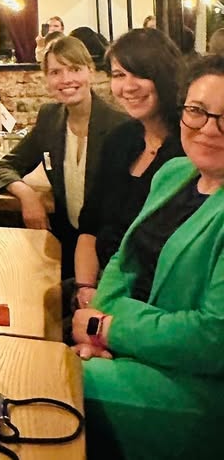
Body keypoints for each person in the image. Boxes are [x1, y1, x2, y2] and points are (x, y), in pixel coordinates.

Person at [73, 54, 224, 459]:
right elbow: (124, 261)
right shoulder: (174, 172)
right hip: (128, 354)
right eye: (197, 111)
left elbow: (213, 337)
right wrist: (98, 326)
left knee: (47, 384)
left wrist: (107, 328)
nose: (209, 129)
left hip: (196, 387)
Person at [0, 36, 126, 276]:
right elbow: (6, 165)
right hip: (67, 249)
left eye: (75, 69)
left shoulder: (120, 126)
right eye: (55, 72)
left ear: (91, 71)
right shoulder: (50, 118)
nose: (66, 80)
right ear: (46, 78)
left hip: (113, 257)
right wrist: (27, 196)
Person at [74, 29, 183, 310]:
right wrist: (86, 290)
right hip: (96, 287)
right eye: (119, 75)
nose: (128, 87)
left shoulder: (187, 152)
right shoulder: (119, 139)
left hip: (149, 302)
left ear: (165, 77)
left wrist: (106, 311)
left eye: (140, 74)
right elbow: (89, 226)